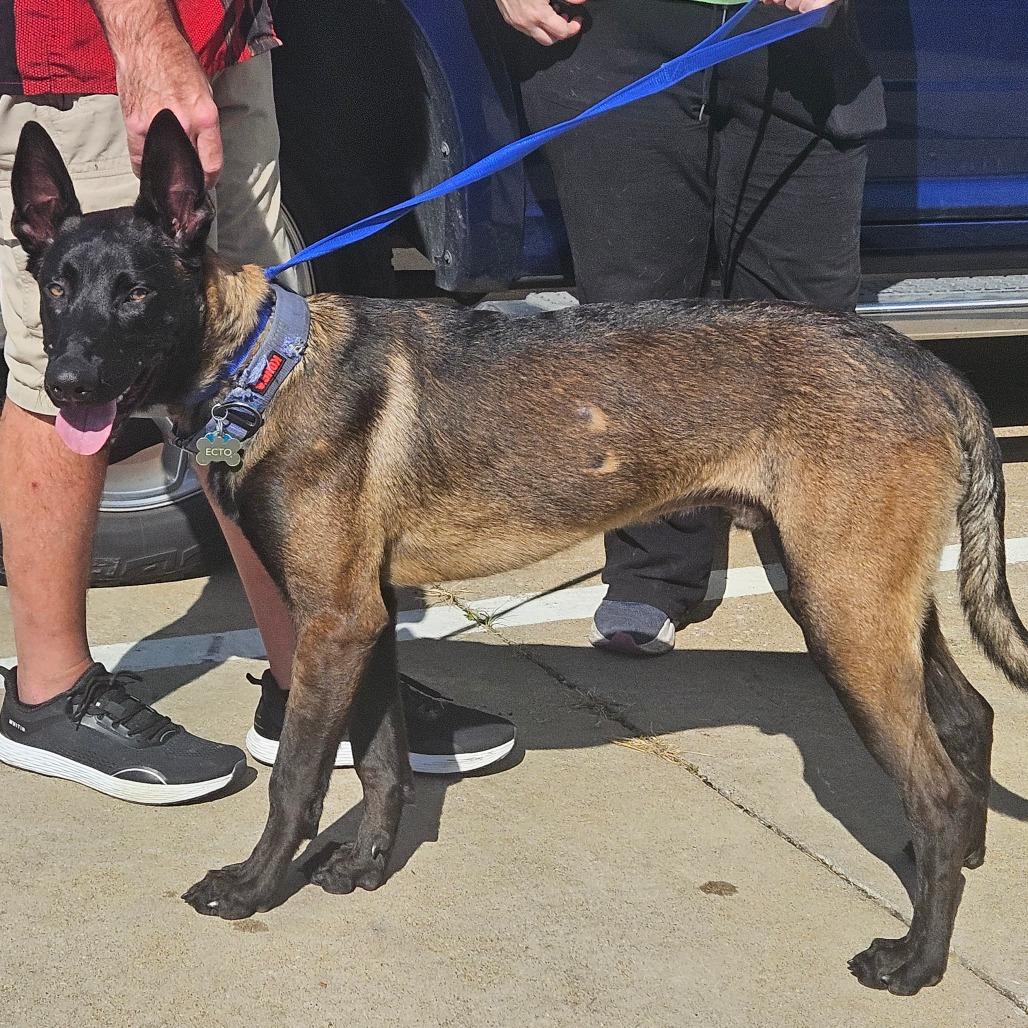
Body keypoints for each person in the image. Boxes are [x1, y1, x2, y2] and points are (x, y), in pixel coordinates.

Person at [0, 0, 515, 803]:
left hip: (223, 42)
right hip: (92, 52)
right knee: (60, 369)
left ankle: (305, 688)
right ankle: (49, 695)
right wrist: (144, 39)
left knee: (255, 352)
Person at [501, 0, 886, 655]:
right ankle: (652, 570)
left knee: (813, 343)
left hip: (796, 39)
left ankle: (833, 573)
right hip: (609, 34)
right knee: (633, 329)